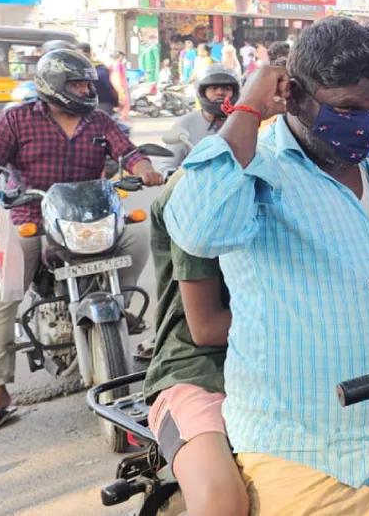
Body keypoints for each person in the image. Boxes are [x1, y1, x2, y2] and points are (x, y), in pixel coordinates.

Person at [165, 16, 369, 515]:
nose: (364, 124)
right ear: (292, 94)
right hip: (312, 451)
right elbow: (200, 230)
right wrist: (249, 107)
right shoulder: (257, 168)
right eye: (346, 109)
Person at [0, 49, 164, 435]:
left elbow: (129, 153)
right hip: (32, 219)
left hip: (91, 218)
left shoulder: (98, 120)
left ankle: (116, 306)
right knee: (0, 297)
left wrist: (144, 169)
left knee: (140, 236)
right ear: (53, 86)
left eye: (87, 83)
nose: (86, 90)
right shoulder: (17, 119)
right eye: (77, 84)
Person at [143, 171, 248, 516]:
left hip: (289, 364)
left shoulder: (333, 183)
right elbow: (205, 328)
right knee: (222, 501)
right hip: (198, 369)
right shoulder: (201, 188)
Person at [164, 65, 241, 169]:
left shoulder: (244, 122)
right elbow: (168, 166)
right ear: (202, 92)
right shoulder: (186, 123)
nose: (220, 93)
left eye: (226, 89)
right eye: (213, 88)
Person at [78, 43, 122, 115]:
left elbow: (112, 89)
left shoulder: (100, 70)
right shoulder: (76, 70)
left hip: (102, 104)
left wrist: (118, 101)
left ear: (89, 54)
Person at [111, 50, 131, 121]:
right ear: (120, 57)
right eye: (122, 56)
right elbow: (118, 75)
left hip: (115, 85)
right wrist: (121, 87)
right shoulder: (119, 65)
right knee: (124, 101)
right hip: (121, 85)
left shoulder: (113, 65)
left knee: (119, 101)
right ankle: (123, 116)